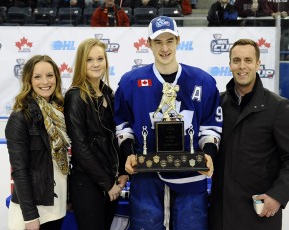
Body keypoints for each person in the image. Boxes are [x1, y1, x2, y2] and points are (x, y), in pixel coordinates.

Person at [114, 16, 223, 230]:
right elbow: (123, 124)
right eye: (158, 42)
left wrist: (209, 153)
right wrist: (128, 152)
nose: (164, 48)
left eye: (169, 41)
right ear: (148, 44)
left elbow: (210, 126)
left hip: (190, 177)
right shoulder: (131, 82)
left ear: (178, 41)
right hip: (147, 177)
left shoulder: (203, 81)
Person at [209, 38, 289, 230]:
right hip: (221, 215)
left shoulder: (278, 107)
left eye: (248, 60)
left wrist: (277, 196)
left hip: (260, 215)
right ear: (229, 65)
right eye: (236, 60)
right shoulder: (216, 104)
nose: (242, 66)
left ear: (258, 64)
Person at [64, 38, 129, 230]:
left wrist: (123, 173)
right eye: (89, 59)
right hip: (88, 184)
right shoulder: (75, 96)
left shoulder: (109, 93)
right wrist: (108, 184)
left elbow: (117, 136)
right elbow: (80, 146)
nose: (96, 64)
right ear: (81, 63)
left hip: (111, 181)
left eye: (100, 58)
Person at [5, 55, 70, 230]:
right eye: (37, 77)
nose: (45, 82)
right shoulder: (20, 117)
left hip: (57, 206)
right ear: (28, 80)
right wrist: (30, 216)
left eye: (50, 75)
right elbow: (19, 171)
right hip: (34, 213)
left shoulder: (60, 113)